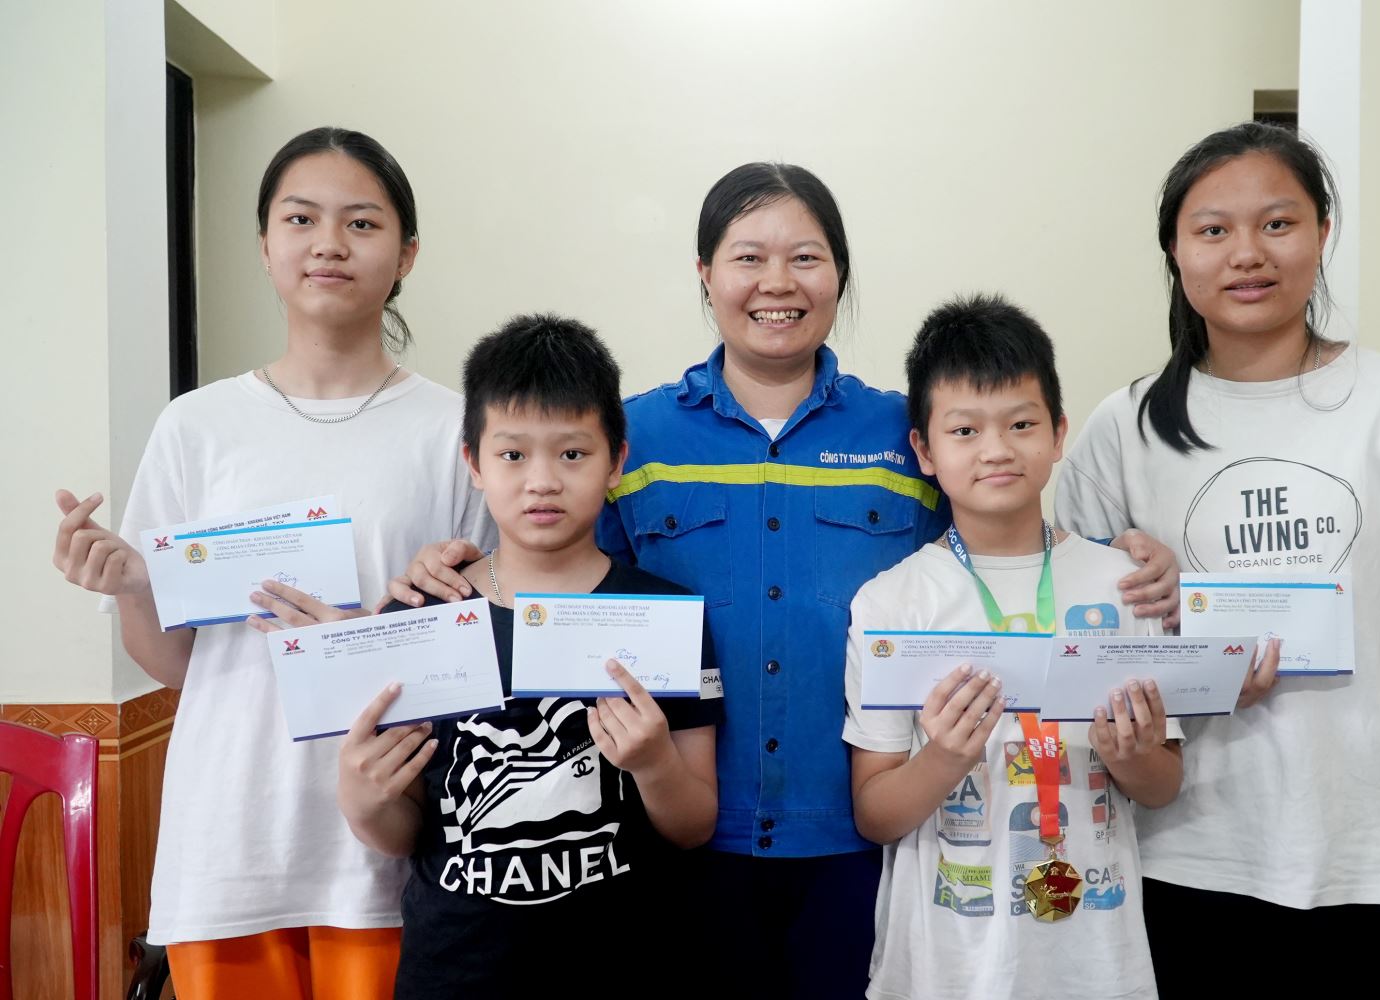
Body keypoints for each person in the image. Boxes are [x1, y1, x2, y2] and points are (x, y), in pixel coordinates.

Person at [388, 163, 1179, 997]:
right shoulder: (636, 436)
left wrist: (1121, 556)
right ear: (705, 274)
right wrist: (451, 566)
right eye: (747, 258)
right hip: (677, 839)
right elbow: (564, 572)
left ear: (839, 273)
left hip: (860, 841)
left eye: (805, 257)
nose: (777, 283)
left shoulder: (902, 432)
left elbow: (996, 549)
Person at [1054, 121, 1380, 996]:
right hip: (1193, 858)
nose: (1247, 253)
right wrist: (1164, 623)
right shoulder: (1123, 427)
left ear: (1323, 232)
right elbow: (1088, 661)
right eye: (1213, 230)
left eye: (1278, 223)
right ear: (1175, 251)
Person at [50, 127, 491, 999]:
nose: (328, 243)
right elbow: (180, 664)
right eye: (300, 219)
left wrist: (362, 642)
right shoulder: (196, 425)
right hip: (229, 837)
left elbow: (476, 660)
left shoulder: (458, 431)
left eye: (361, 223)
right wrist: (132, 586)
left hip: (384, 837)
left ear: (405, 255)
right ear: (264, 246)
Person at [334, 314, 720, 997]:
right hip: (456, 975)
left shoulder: (666, 616)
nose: (542, 481)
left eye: (572, 454)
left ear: (616, 461)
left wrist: (655, 763)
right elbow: (408, 832)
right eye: (513, 455)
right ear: (474, 464)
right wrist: (363, 802)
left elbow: (694, 824)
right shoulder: (420, 616)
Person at [845, 294, 1180, 999]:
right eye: (965, 430)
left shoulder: (1125, 586)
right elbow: (875, 814)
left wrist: (1131, 754)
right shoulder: (892, 603)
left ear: (1058, 434)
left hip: (1097, 959)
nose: (996, 449)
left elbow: (1163, 786)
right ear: (924, 451)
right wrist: (943, 758)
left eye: (1021, 424)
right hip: (946, 964)